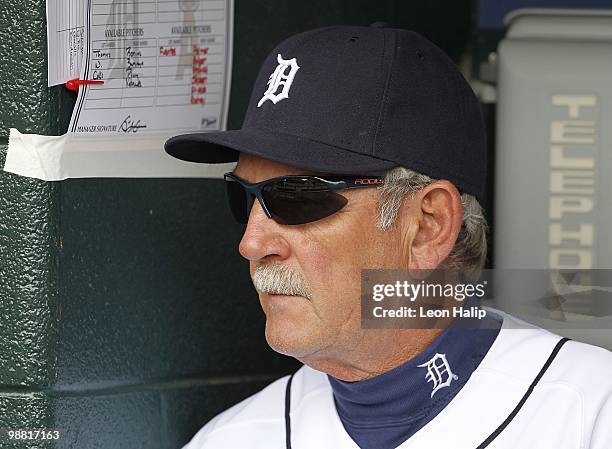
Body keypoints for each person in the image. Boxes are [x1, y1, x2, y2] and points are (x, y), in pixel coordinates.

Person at [165, 24, 612, 449]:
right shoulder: (231, 439)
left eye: (296, 197)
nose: (253, 243)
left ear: (427, 226)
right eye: (242, 197)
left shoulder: (593, 415)